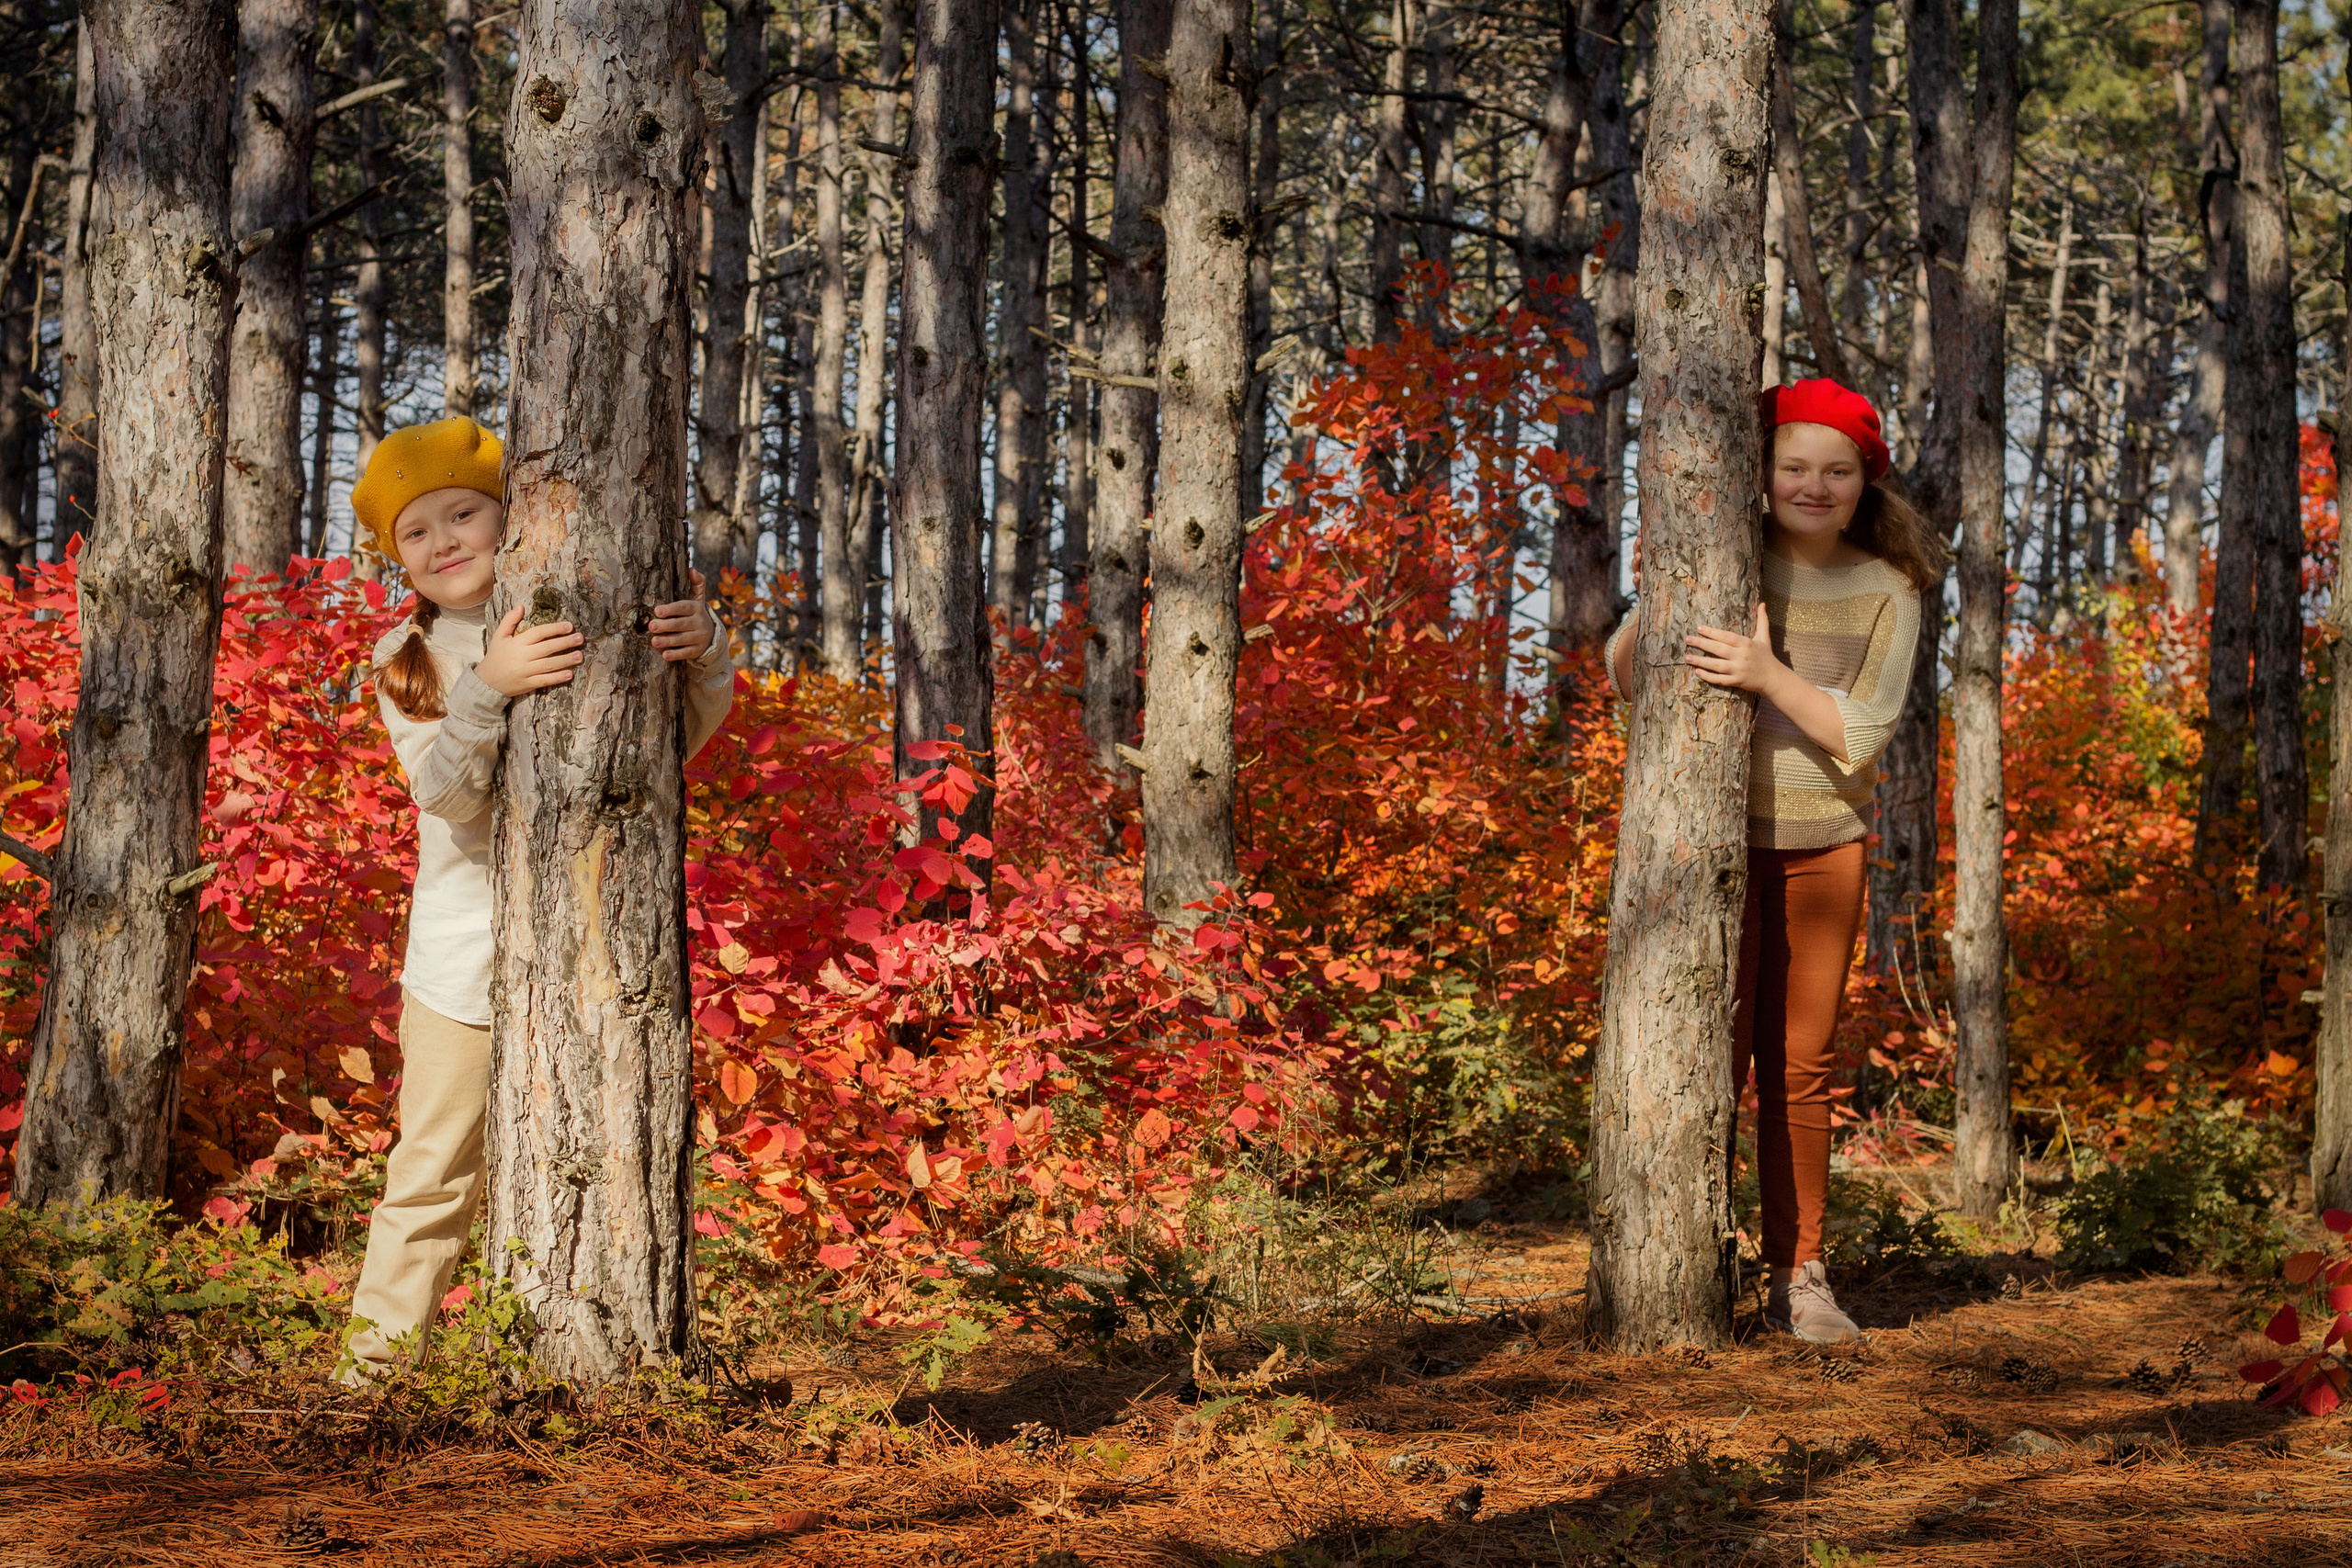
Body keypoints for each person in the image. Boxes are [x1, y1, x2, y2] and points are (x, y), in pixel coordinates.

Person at [337, 417, 738, 1381]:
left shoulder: (583, 599)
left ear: (508, 517)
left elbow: (658, 752)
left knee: (598, 1162)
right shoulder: (408, 656)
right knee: (433, 1173)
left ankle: (598, 1352)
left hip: (597, 946)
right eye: (416, 534)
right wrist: (489, 685)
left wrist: (705, 651)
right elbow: (447, 791)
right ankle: (371, 1377)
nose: (442, 544)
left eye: (462, 514)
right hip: (461, 967)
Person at [1605, 379, 1943, 1345]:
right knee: (1695, 1059)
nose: (1812, 484)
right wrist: (1660, 589)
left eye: (1835, 470)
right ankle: (1677, 1266)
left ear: (1863, 479)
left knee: (1796, 1070)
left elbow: (1863, 735)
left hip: (1819, 853)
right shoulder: (1723, 554)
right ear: (1759, 472)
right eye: (1792, 465)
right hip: (1697, 855)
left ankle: (1800, 1277)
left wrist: (1764, 674)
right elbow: (1626, 677)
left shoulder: (1889, 585)